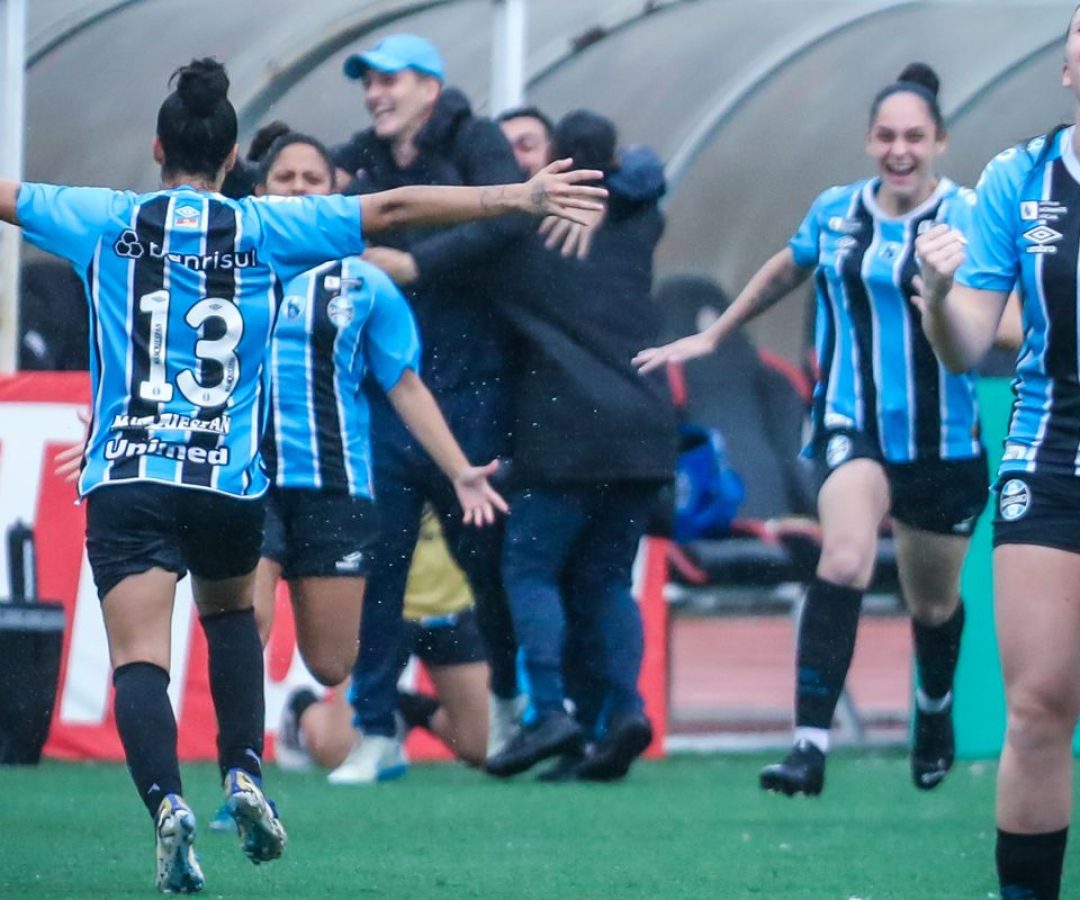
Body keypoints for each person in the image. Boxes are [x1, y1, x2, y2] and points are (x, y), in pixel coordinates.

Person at [3, 57, 603, 894]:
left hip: (131, 472)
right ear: (235, 153)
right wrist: (517, 195)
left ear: (154, 147)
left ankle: (167, 806)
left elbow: (6, 195)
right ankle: (244, 773)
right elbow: (393, 208)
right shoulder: (266, 230)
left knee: (141, 660)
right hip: (228, 479)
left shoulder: (101, 217)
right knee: (228, 623)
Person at [636, 63, 987, 798]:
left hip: (942, 435)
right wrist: (715, 334)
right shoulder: (836, 212)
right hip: (848, 420)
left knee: (932, 604)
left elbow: (997, 322)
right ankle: (808, 744)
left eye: (914, 137)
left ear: (940, 142)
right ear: (868, 141)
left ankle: (933, 704)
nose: (899, 150)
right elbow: (786, 269)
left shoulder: (971, 216)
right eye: (886, 135)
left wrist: (951, 297)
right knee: (846, 557)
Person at [328, 33, 530, 776]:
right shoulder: (364, 158)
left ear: (430, 87)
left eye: (389, 81)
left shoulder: (475, 141)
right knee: (378, 564)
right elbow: (313, 195)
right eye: (368, 83)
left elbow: (509, 218)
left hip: (473, 394)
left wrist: (417, 262)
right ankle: (375, 731)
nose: (375, 94)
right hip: (388, 395)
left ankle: (511, 711)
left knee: (488, 563)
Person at [915, 8, 1080, 896]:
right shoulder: (1019, 177)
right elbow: (965, 345)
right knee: (1039, 704)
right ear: (1066, 70)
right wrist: (938, 295)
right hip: (1055, 449)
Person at [486, 110, 677, 780]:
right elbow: (653, 167)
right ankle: (625, 711)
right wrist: (618, 191)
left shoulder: (519, 232)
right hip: (646, 427)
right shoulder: (642, 218)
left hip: (562, 429)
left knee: (530, 570)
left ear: (558, 159)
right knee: (604, 581)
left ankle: (549, 710)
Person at [276, 505, 491, 776]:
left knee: (482, 747)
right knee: (337, 750)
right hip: (379, 609)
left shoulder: (466, 465)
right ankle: (301, 706)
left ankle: (408, 709)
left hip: (449, 606)